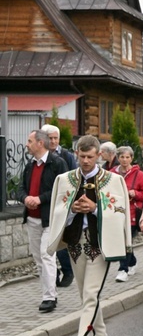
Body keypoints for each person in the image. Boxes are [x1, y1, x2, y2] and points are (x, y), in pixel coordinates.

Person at [46, 135, 131, 336]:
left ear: (99, 156)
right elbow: (57, 210)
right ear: (76, 155)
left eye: (90, 157)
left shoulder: (113, 180)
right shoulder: (64, 180)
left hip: (99, 244)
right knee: (86, 295)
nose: (85, 161)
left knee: (91, 293)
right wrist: (72, 210)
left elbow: (121, 213)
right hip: (75, 243)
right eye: (82, 156)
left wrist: (95, 208)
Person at [19, 130, 69, 312]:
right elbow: (21, 188)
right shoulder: (30, 165)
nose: (27, 144)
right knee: (38, 258)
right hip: (32, 219)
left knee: (47, 255)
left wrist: (40, 198)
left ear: (40, 143)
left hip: (50, 220)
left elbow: (64, 190)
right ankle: (50, 292)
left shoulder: (57, 163)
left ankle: (49, 298)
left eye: (29, 140)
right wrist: (25, 198)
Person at [40, 124, 76, 287]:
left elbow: (74, 175)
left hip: (63, 202)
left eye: (56, 138)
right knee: (46, 244)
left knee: (59, 239)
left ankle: (68, 272)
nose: (53, 141)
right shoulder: (41, 156)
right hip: (45, 204)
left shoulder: (66, 156)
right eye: (51, 138)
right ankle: (54, 275)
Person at [112, 146, 143, 282]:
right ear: (118, 158)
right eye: (122, 157)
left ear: (132, 158)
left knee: (125, 242)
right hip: (116, 213)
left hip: (132, 214)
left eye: (127, 157)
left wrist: (135, 193)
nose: (125, 160)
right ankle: (132, 262)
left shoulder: (138, 174)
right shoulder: (112, 173)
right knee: (122, 242)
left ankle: (123, 269)